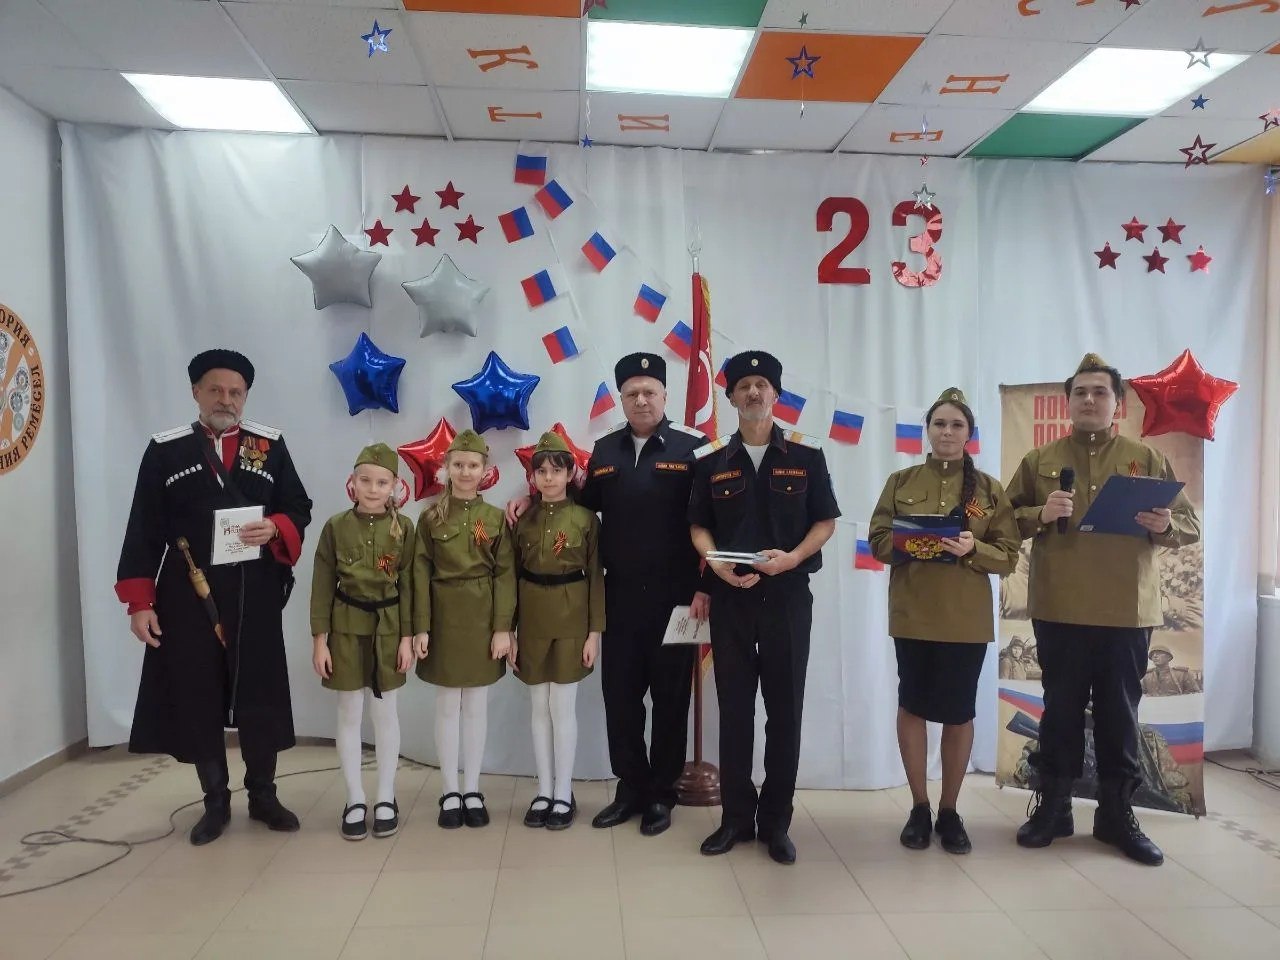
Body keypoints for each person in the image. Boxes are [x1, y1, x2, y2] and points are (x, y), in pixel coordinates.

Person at [1005, 352, 1201, 866]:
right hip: (1060, 606)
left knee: (1119, 714)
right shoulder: (1040, 460)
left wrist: (1165, 526)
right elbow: (1003, 520)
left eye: (1100, 392)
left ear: (1118, 404)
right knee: (1061, 710)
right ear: (1068, 402)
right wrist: (1040, 512)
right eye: (1080, 393)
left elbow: (1189, 525)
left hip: (1125, 611)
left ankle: (1117, 814)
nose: (1089, 400)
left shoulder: (1146, 459)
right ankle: (1054, 808)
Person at [115, 349, 312, 846]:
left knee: (259, 692)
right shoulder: (166, 451)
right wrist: (140, 603)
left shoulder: (269, 445)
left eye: (236, 392)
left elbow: (298, 505)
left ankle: (263, 795)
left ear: (245, 397)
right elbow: (143, 527)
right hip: (187, 592)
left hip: (254, 590)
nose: (226, 399)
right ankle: (215, 801)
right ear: (196, 392)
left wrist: (276, 527)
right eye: (216, 390)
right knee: (198, 691)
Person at [527, 353, 707, 837]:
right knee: (621, 698)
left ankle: (661, 794)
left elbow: (713, 522)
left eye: (650, 392)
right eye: (632, 393)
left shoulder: (693, 447)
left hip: (677, 599)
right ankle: (630, 789)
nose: (641, 400)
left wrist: (703, 588)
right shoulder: (605, 450)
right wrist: (531, 499)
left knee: (670, 700)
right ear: (621, 399)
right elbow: (579, 506)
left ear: (665, 395)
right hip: (620, 596)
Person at [688, 350, 840, 864]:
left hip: (787, 597)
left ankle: (776, 823)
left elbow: (825, 521)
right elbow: (698, 525)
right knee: (734, 711)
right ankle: (735, 819)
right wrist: (716, 567)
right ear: (730, 397)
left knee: (785, 711)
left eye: (761, 384)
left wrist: (793, 558)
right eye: (743, 386)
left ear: (775, 393)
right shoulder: (710, 459)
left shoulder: (806, 454)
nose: (753, 392)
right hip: (731, 599)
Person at [868, 387, 1020, 854]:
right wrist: (909, 542)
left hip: (964, 619)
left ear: (969, 434)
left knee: (959, 712)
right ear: (927, 431)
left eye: (957, 425)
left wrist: (974, 548)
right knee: (912, 705)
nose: (947, 432)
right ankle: (919, 806)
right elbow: (877, 542)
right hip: (913, 613)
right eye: (939, 424)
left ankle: (950, 810)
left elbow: (1008, 556)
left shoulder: (989, 490)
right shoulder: (901, 481)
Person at [309, 443, 414, 840]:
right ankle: (354, 797)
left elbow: (410, 586)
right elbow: (322, 585)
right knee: (349, 712)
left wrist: (407, 637)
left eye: (382, 482)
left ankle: (386, 795)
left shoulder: (404, 528)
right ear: (351, 483)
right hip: (346, 627)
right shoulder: (336, 527)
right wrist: (320, 641)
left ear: (395, 486)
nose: (372, 489)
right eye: (365, 480)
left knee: (386, 714)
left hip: (388, 628)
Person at [412, 429, 516, 829]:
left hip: (482, 618)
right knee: (446, 705)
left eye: (473, 465)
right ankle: (449, 789)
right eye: (458, 464)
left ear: (485, 471)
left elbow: (505, 575)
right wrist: (421, 627)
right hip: (442, 616)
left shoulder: (495, 519)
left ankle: (472, 788)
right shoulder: (430, 518)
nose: (466, 472)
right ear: (446, 468)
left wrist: (502, 628)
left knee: (475, 706)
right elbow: (419, 574)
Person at [513, 431, 605, 830]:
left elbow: (596, 577)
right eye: (541, 472)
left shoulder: (585, 520)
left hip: (572, 618)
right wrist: (509, 630)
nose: (548, 478)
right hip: (533, 617)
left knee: (562, 707)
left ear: (570, 474)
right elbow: (510, 577)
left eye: (556, 470)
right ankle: (544, 789)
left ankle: (564, 792)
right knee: (538, 707)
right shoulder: (522, 519)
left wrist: (594, 633)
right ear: (532, 477)